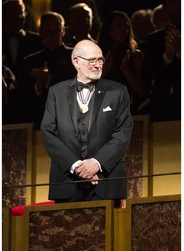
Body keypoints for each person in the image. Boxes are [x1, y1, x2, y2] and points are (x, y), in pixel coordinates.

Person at [40, 39, 133, 208]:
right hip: (66, 182)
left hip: (106, 181)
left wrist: (96, 163)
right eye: (92, 60)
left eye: (100, 60)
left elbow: (123, 133)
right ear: (76, 61)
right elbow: (48, 132)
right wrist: (76, 166)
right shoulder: (56, 92)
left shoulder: (118, 92)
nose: (98, 65)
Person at [14, 11, 76, 128]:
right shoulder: (30, 61)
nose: (52, 35)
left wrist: (49, 80)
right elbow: (20, 96)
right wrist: (37, 86)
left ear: (63, 31)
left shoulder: (76, 57)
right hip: (39, 123)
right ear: (40, 32)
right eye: (48, 31)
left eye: (56, 31)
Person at [141, 0, 181, 121]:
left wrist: (180, 50)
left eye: (181, 1)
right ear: (164, 7)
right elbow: (147, 73)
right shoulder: (155, 39)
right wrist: (167, 56)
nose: (178, 6)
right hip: (162, 107)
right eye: (172, 2)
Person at [97, 11, 146, 115]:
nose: (124, 29)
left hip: (127, 112)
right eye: (118, 25)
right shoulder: (97, 56)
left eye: (126, 26)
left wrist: (126, 71)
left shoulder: (134, 56)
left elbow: (141, 91)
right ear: (108, 29)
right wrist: (103, 74)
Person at [2, 0, 44, 77]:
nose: (20, 16)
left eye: (22, 12)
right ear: (4, 15)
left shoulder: (37, 41)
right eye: (14, 13)